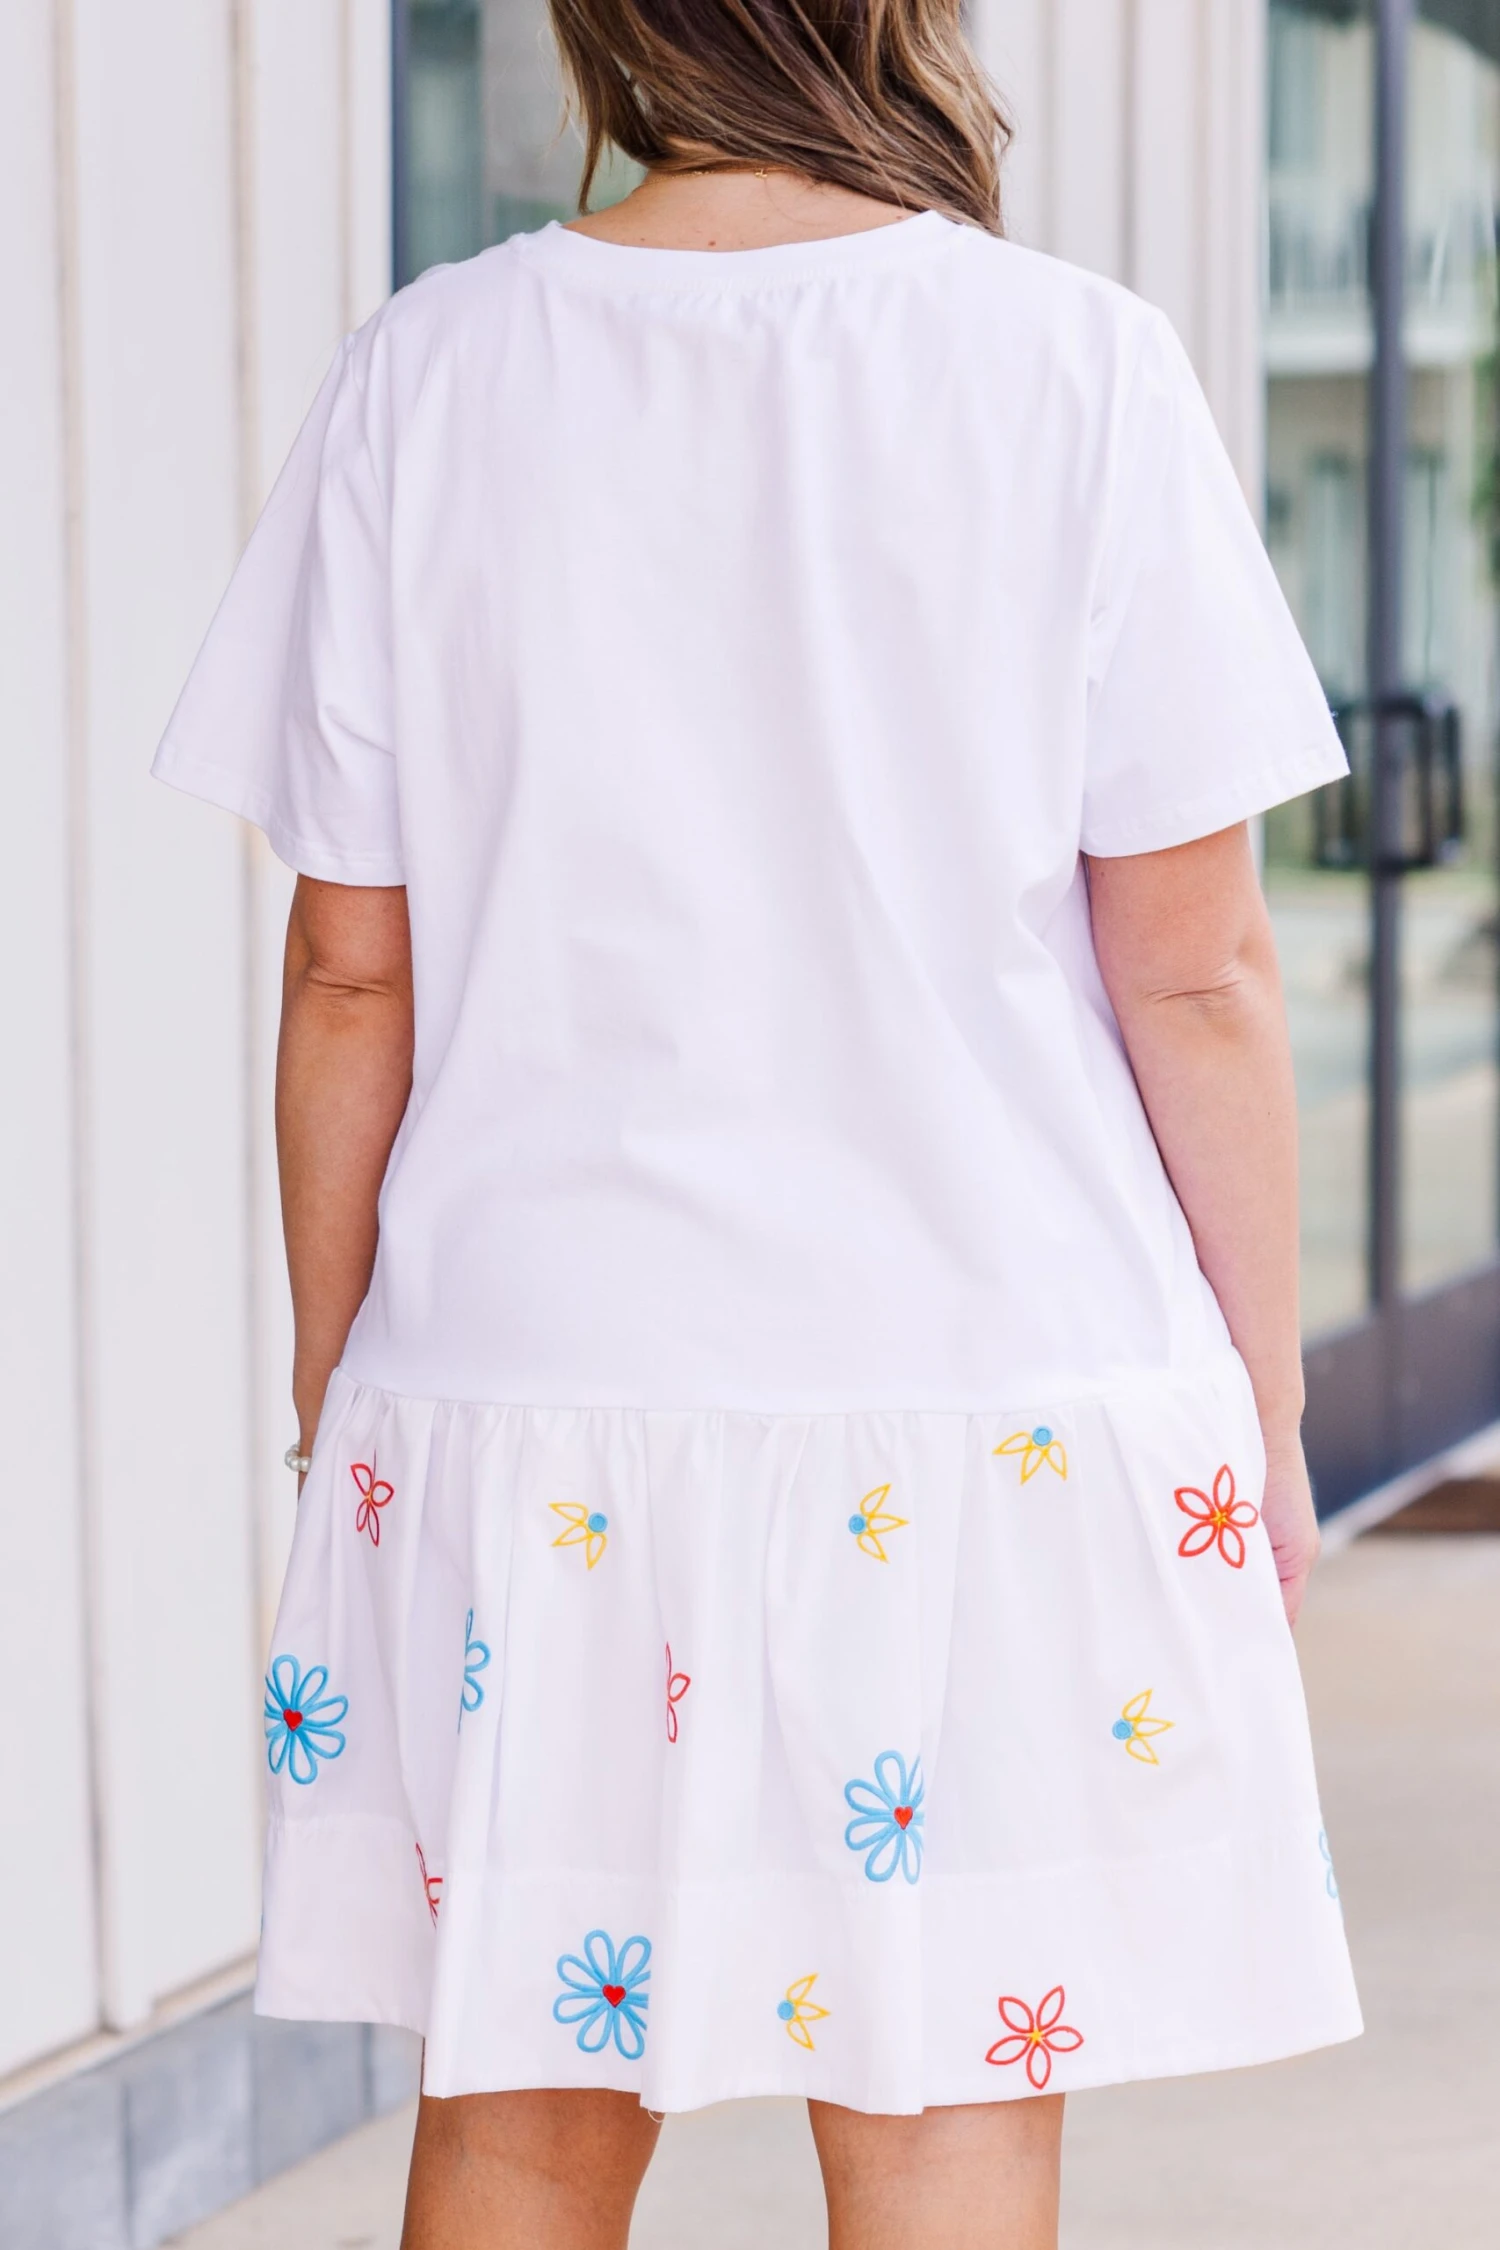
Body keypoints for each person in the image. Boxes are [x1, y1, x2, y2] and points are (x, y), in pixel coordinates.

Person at [154, 2, 1361, 2243]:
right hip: (978, 1401)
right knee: (943, 2107)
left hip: (537, 1400)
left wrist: (343, 1394)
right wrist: (1264, 1400)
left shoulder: (430, 374)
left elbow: (347, 971)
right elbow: (1195, 966)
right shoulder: (1076, 369)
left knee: (520, 2102)